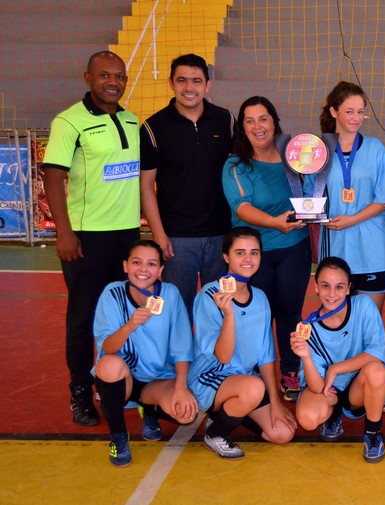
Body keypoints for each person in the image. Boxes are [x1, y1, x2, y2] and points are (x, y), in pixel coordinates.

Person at [42, 51, 141, 426]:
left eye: (119, 76)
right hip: (87, 238)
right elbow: (53, 177)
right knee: (82, 319)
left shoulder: (132, 120)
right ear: (88, 78)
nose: (113, 82)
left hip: (128, 236)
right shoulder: (69, 121)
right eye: (104, 76)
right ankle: (80, 392)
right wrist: (64, 233)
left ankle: (115, 381)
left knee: (124, 316)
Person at [221, 96, 310, 402]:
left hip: (294, 249)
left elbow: (312, 193)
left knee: (289, 314)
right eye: (250, 120)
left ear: (274, 121)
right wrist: (274, 222)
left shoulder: (295, 158)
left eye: (263, 118)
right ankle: (253, 373)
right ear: (242, 128)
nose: (258, 126)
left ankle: (289, 370)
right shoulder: (235, 165)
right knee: (255, 316)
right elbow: (241, 207)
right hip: (252, 257)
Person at [140, 53, 235, 319]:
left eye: (196, 81)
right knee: (176, 312)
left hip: (220, 236)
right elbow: (146, 185)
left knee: (218, 309)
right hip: (176, 239)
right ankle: (178, 361)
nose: (189, 88)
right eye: (182, 80)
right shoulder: (153, 127)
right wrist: (158, 235)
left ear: (208, 85)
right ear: (171, 83)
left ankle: (214, 361)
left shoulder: (225, 121)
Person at [188, 227, 297, 460]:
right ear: (226, 256)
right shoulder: (210, 295)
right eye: (240, 253)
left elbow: (266, 357)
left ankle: (224, 415)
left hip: (244, 382)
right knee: (253, 388)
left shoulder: (260, 297)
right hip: (209, 378)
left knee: (282, 433)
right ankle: (216, 434)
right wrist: (228, 314)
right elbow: (223, 357)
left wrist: (276, 403)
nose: (248, 259)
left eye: (254, 253)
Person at [93, 240, 197, 467]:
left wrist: (181, 388)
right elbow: (107, 347)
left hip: (158, 380)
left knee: (185, 413)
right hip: (124, 378)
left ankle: (148, 409)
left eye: (151, 264)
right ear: (125, 266)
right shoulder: (113, 293)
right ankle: (118, 437)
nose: (143, 269)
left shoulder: (170, 294)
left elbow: (182, 346)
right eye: (136, 262)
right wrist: (130, 325)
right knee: (109, 365)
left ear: (160, 270)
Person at [289, 257, 385, 463]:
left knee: (376, 370)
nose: (332, 294)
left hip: (358, 387)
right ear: (316, 287)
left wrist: (335, 369)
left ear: (349, 288)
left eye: (339, 286)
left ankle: (372, 435)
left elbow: (377, 352)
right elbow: (317, 387)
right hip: (328, 390)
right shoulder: (309, 329)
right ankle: (334, 414)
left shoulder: (363, 306)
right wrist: (305, 356)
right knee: (307, 419)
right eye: (325, 286)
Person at [304, 81, 385, 310]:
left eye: (361, 112)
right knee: (337, 319)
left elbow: (384, 199)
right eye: (349, 111)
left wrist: (352, 220)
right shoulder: (317, 150)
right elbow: (309, 198)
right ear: (334, 111)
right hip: (335, 247)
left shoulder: (376, 149)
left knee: (370, 321)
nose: (356, 118)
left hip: (371, 249)